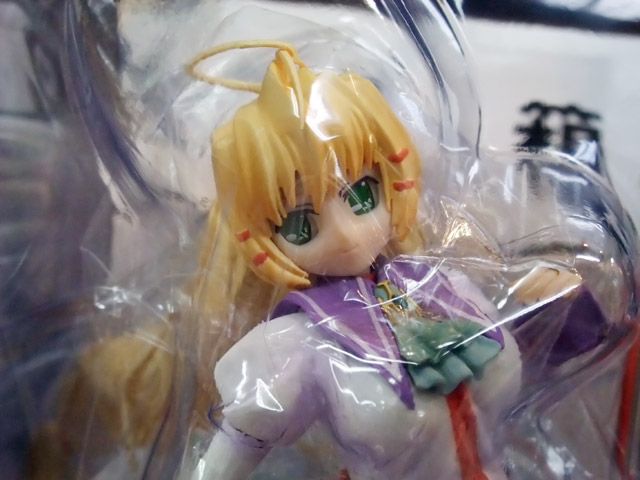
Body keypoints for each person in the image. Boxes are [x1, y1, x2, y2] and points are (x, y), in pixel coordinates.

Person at [186, 41, 605, 480]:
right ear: (260, 238)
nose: (346, 234)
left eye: (362, 195)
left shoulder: (445, 286)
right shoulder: (296, 343)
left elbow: (535, 360)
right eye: (301, 225)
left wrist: (553, 306)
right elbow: (233, 451)